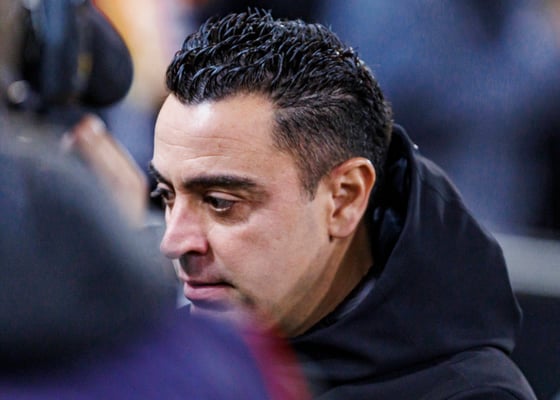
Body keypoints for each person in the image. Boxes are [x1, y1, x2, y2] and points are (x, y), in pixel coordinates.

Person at [150, 9, 537, 399]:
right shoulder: (151, 362)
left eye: (220, 202)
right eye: (166, 196)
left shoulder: (471, 394)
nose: (174, 241)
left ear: (344, 198)